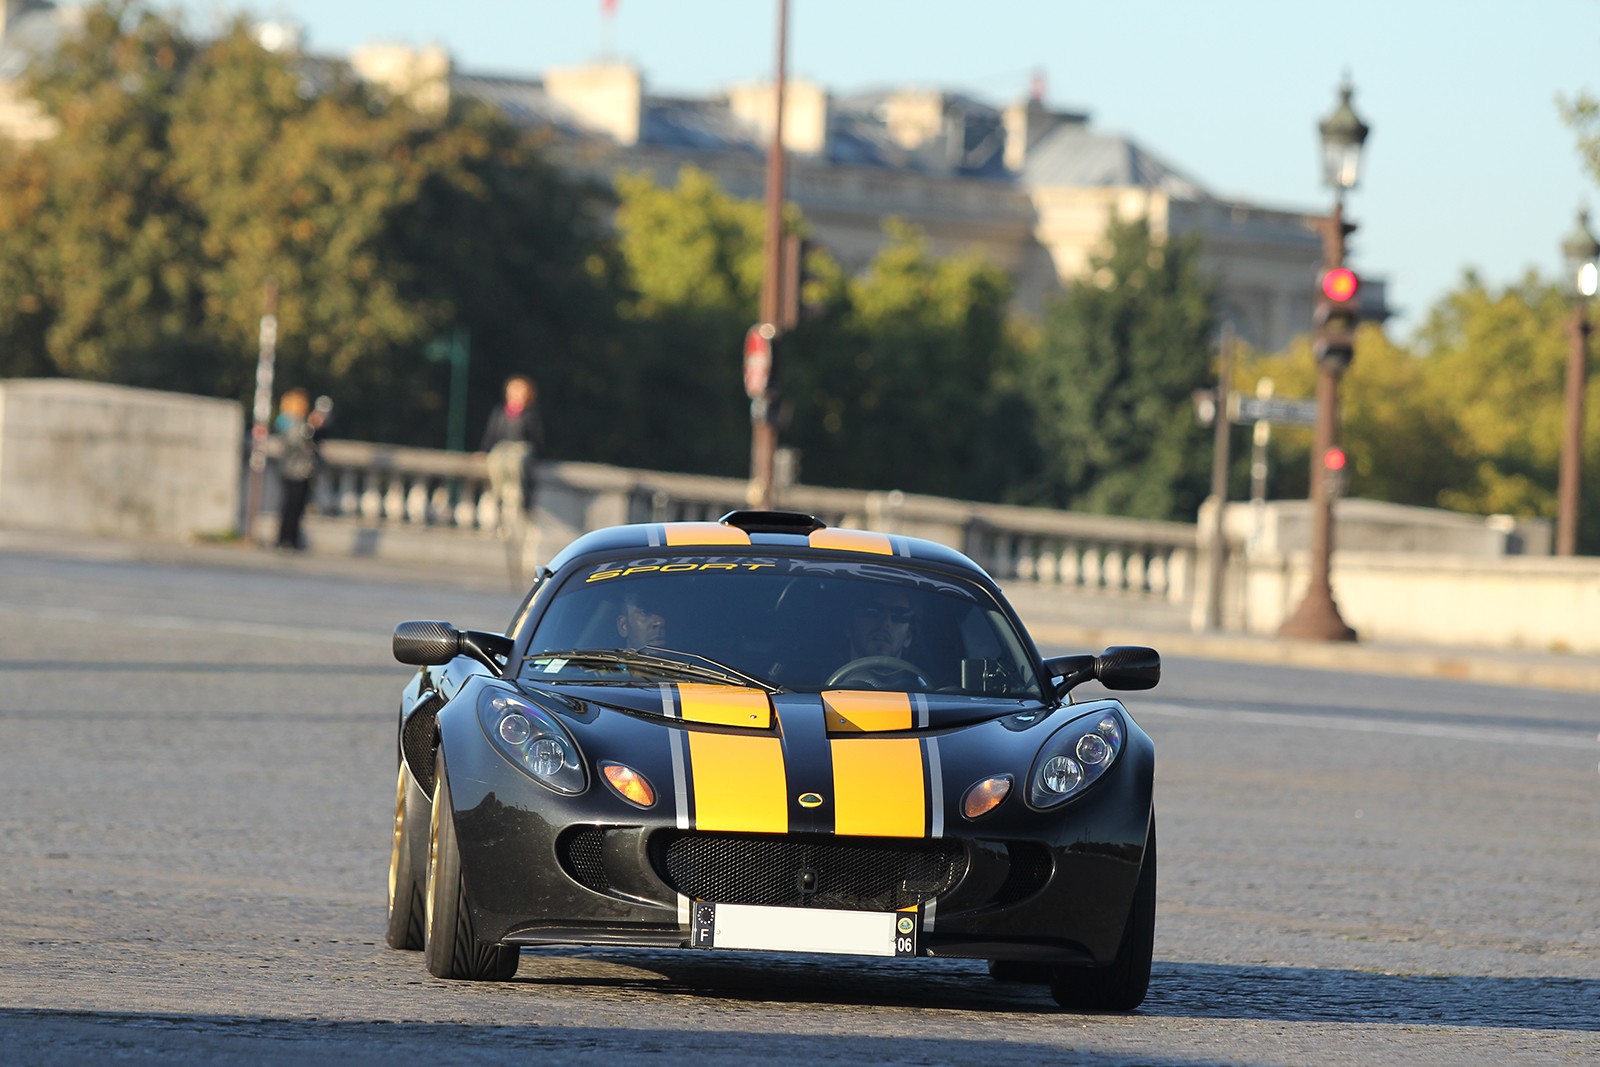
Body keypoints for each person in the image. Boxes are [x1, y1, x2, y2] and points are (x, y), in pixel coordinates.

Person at [478, 374, 544, 527]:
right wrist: (485, 450)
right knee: (495, 462)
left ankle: (521, 497)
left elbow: (536, 436)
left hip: (521, 447)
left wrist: (538, 454)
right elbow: (492, 433)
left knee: (517, 463)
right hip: (503, 446)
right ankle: (498, 494)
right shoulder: (500, 412)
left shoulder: (530, 414)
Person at [273, 388, 328, 551]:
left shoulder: (294, 421)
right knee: (291, 507)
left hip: (299, 470)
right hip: (294, 470)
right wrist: (310, 427)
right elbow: (298, 443)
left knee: (296, 507)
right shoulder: (291, 422)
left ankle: (292, 538)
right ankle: (286, 539)